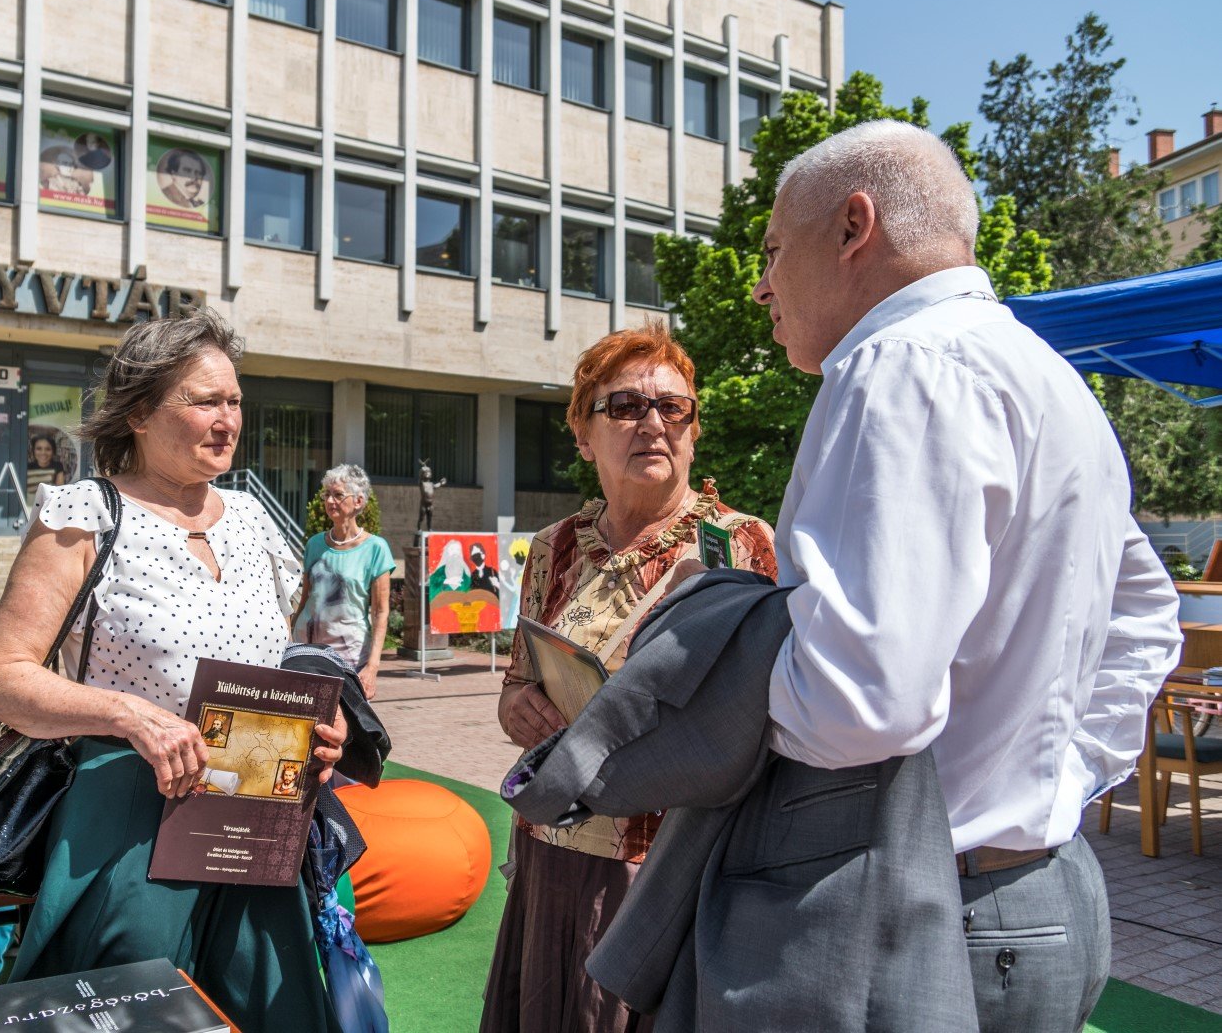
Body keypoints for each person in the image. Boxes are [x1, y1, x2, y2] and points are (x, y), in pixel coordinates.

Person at [749, 119, 1180, 1029]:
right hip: (1039, 890)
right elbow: (1144, 614)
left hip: (934, 916)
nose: (761, 287)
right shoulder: (1046, 374)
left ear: (852, 227)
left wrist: (713, 687)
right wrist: (1058, 783)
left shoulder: (892, 364)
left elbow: (861, 703)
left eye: (773, 250)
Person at [0, 311, 348, 1031]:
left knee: (272, 1011)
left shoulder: (252, 519)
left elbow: (282, 656)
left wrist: (316, 725)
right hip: (127, 824)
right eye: (205, 400)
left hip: (255, 818)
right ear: (139, 411)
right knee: (129, 1013)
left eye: (235, 401)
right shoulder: (86, 514)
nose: (228, 419)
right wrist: (130, 715)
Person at [482, 322, 776, 1033]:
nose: (652, 424)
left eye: (672, 408)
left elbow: (763, 722)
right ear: (583, 435)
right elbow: (516, 682)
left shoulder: (741, 544)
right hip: (553, 845)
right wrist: (517, 703)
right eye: (624, 407)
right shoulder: (555, 546)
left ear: (693, 430)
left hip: (669, 866)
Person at [291, 464, 393, 699]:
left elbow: (380, 612)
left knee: (345, 726)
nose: (329, 501)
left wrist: (373, 667)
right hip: (307, 652)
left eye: (337, 495)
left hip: (350, 656)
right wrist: (289, 642)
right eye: (326, 494)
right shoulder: (314, 544)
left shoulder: (376, 549)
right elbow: (305, 599)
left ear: (358, 501)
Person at [26, 434, 70, 499]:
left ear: (53, 451)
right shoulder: (27, 467)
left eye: (48, 449)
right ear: (33, 451)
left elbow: (60, 490)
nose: (43, 452)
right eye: (39, 449)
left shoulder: (58, 466)